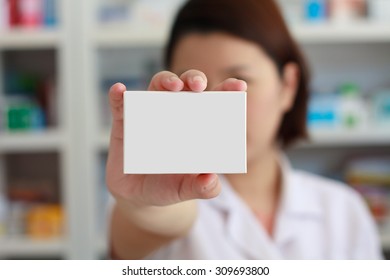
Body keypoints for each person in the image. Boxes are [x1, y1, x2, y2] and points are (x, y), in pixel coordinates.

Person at [106, 0, 382, 259]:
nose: (215, 104)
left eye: (239, 80)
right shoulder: (162, 195)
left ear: (288, 86)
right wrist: (143, 206)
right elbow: (154, 222)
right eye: (191, 87)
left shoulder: (344, 210)